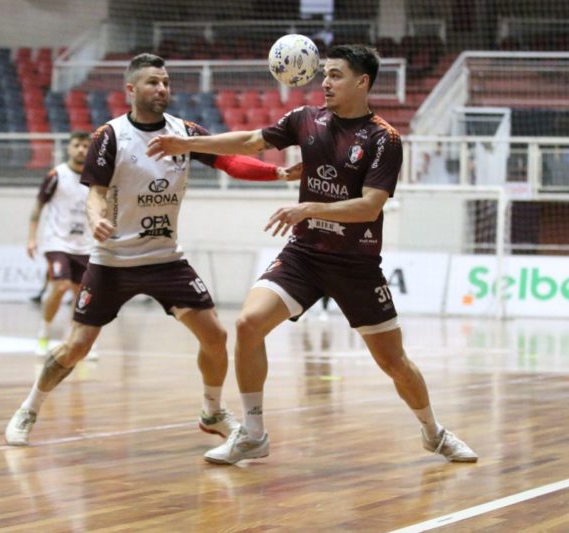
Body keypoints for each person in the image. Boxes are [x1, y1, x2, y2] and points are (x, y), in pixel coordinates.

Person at [147, 44, 478, 465]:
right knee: (248, 324)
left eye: (336, 75)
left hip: (355, 264)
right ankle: (252, 433)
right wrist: (189, 143)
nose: (325, 81)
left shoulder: (384, 139)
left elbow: (370, 206)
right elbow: (250, 141)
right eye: (324, 74)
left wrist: (309, 207)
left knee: (394, 362)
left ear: (362, 82)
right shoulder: (306, 119)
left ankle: (434, 432)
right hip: (305, 254)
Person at [5, 53, 300, 446]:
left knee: (214, 335)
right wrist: (96, 220)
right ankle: (30, 407)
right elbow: (93, 194)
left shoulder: (184, 131)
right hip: (113, 261)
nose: (162, 89)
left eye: (165, 82)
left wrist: (277, 172)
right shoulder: (109, 136)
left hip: (165, 259)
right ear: (131, 89)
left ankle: (212, 412)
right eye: (152, 82)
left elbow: (230, 161)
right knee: (77, 346)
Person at [27, 131, 93, 356]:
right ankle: (44, 333)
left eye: (86, 146)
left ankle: (75, 340)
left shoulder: (95, 178)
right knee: (60, 285)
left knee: (82, 295)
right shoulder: (56, 175)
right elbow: (38, 206)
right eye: (77, 145)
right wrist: (32, 238)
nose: (81, 149)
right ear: (69, 148)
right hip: (57, 242)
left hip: (84, 245)